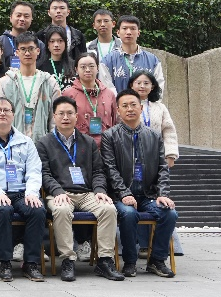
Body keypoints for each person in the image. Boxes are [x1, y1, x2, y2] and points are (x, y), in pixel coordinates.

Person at [36, 96, 125, 282]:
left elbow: (99, 171)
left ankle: (105, 260)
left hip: (86, 193)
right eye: (61, 113)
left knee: (108, 209)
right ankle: (67, 260)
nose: (65, 117)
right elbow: (44, 174)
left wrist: (100, 190)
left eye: (70, 113)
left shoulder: (88, 142)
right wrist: (58, 191)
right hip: (59, 193)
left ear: (77, 116)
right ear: (54, 117)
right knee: (61, 210)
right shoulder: (44, 143)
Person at [101, 89, 178, 278]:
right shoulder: (110, 136)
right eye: (125, 106)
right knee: (128, 214)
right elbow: (110, 169)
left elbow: (162, 168)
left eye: (133, 105)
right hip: (120, 195)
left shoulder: (154, 136)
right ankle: (130, 261)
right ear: (118, 110)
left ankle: (157, 260)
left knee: (169, 213)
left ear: (141, 108)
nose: (130, 109)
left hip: (147, 194)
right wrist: (124, 193)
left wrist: (163, 194)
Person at [0, 97, 47, 283]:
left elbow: (34, 170)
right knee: (3, 210)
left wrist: (32, 193)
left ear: (13, 114)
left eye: (6, 110)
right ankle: (5, 263)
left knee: (37, 209)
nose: (2, 113)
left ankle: (31, 263)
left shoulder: (26, 141)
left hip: (21, 193)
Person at [0, 32, 62, 140]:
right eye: (23, 49)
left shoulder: (50, 82)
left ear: (38, 51)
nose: (27, 53)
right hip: (13, 142)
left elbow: (56, 117)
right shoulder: (5, 82)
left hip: (42, 143)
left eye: (31, 49)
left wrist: (52, 143)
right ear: (17, 52)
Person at [100, 15, 165, 95]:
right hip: (118, 103)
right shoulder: (107, 61)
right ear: (118, 32)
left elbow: (159, 86)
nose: (128, 32)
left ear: (138, 33)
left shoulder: (152, 60)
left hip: (145, 103)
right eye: (124, 28)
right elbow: (107, 88)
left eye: (133, 29)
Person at [62, 53, 117, 146]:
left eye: (91, 66)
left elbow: (115, 121)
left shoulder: (109, 94)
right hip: (78, 145)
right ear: (76, 69)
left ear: (97, 68)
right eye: (83, 67)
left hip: (106, 146)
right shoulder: (68, 94)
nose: (87, 70)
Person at [129, 70, 179, 167]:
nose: (142, 86)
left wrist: (170, 155)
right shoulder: (126, 106)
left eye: (146, 83)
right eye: (138, 83)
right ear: (132, 85)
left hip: (156, 156)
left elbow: (169, 131)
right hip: (132, 157)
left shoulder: (160, 107)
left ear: (152, 86)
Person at [39, 26, 77, 90]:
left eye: (60, 41)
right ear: (48, 45)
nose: (56, 45)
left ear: (65, 43)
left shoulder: (75, 66)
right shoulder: (40, 67)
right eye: (52, 41)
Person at [0, 1, 35, 68]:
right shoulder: (0, 42)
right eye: (18, 15)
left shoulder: (38, 44)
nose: (22, 19)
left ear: (31, 19)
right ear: (11, 18)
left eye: (26, 16)